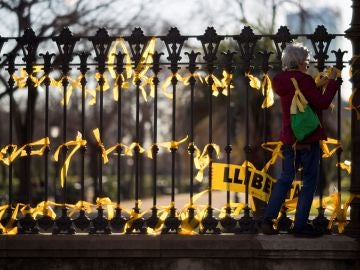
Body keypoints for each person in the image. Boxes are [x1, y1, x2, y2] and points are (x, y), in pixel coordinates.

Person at [261, 42, 341, 237]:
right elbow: (321, 103)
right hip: (309, 138)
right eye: (306, 61)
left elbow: (300, 94)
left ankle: (268, 219)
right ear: (298, 61)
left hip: (290, 139)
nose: (308, 64)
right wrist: (332, 83)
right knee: (309, 181)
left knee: (286, 178)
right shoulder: (303, 80)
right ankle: (300, 226)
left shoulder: (279, 80)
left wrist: (316, 85)